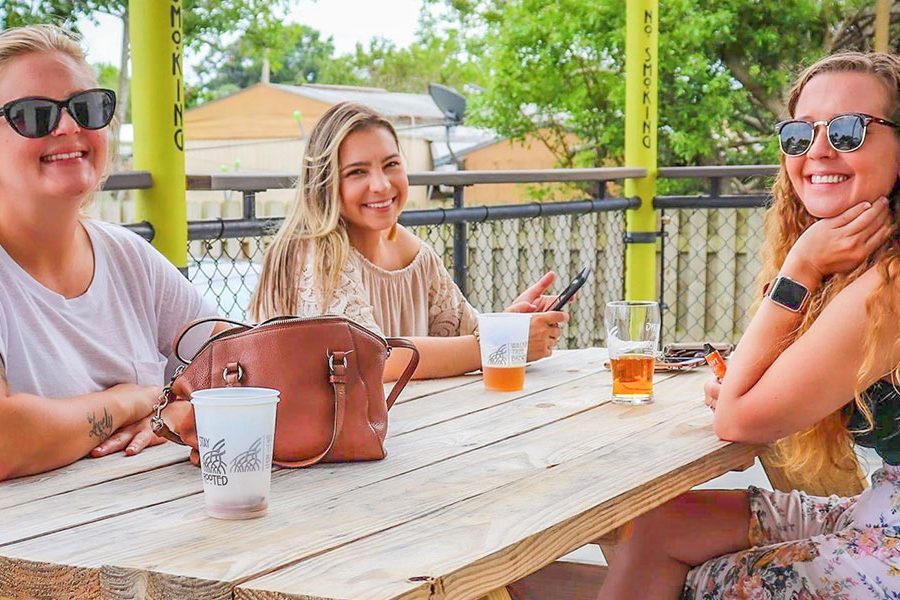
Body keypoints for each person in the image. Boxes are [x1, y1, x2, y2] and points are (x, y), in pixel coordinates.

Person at [598, 51, 899, 599]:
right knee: (660, 525)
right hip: (882, 506)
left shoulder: (891, 287)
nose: (819, 150)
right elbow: (754, 389)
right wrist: (744, 380)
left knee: (707, 583)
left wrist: (800, 267)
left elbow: (738, 420)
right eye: (798, 135)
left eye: (851, 130)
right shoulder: (871, 270)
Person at [0, 25, 218, 482]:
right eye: (34, 115)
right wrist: (131, 400)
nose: (69, 126)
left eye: (87, 108)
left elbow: (245, 362)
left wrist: (176, 410)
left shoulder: (128, 257)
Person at [249, 102, 568, 380]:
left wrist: (511, 322)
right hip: (321, 446)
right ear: (325, 182)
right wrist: (504, 342)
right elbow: (373, 360)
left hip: (409, 428)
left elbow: (463, 336)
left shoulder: (416, 253)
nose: (381, 184)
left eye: (391, 165)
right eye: (358, 172)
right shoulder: (316, 252)